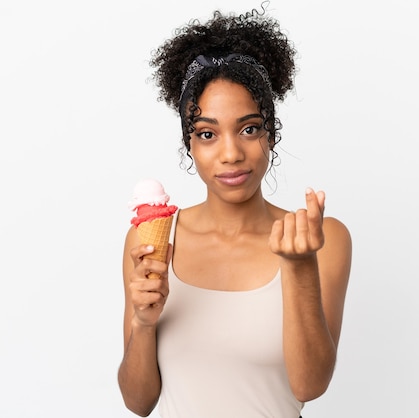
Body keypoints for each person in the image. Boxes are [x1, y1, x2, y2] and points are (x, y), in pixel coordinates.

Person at [117, 5, 352, 418]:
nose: (230, 154)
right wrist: (143, 323)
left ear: (271, 134)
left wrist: (298, 268)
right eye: (207, 134)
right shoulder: (152, 240)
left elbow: (309, 385)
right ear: (190, 144)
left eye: (249, 129)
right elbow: (139, 403)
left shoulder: (319, 238)